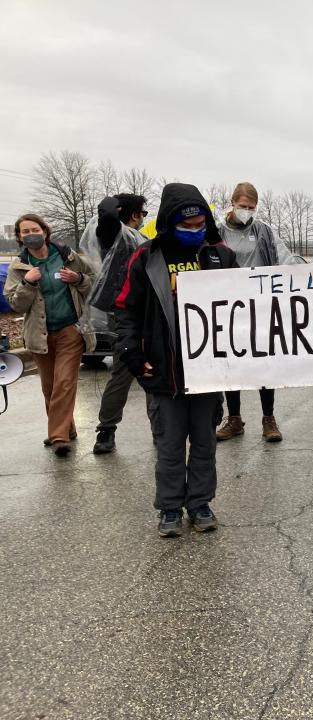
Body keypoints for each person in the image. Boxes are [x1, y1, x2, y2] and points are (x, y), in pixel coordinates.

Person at [115, 183, 237, 537]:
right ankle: (169, 508)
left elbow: (246, 310)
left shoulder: (222, 256)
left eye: (200, 223)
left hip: (208, 374)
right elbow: (125, 309)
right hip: (163, 372)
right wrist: (132, 353)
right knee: (168, 447)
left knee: (204, 444)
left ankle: (200, 503)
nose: (194, 230)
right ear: (169, 223)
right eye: (186, 225)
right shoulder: (146, 257)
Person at [3, 214, 95, 456]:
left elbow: (94, 283)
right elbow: (16, 305)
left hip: (69, 330)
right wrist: (28, 283)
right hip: (39, 334)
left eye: (35, 229)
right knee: (50, 387)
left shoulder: (69, 257)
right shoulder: (18, 267)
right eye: (25, 232)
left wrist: (78, 279)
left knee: (64, 382)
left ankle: (58, 437)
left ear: (45, 231)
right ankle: (67, 427)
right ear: (20, 237)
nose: (31, 234)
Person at [215, 182, 293, 443]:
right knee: (231, 361)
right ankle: (234, 418)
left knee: (263, 362)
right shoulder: (217, 232)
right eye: (242, 206)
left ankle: (268, 418)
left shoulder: (263, 231)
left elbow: (284, 260)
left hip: (260, 306)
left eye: (251, 207)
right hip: (228, 306)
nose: (246, 211)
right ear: (232, 203)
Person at [84, 194, 150, 454]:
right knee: (123, 372)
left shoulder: (142, 239)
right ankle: (106, 430)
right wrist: (115, 203)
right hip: (124, 314)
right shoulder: (115, 236)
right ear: (133, 214)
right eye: (142, 213)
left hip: (149, 312)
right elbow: (109, 216)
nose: (144, 218)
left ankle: (162, 428)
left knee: (155, 370)